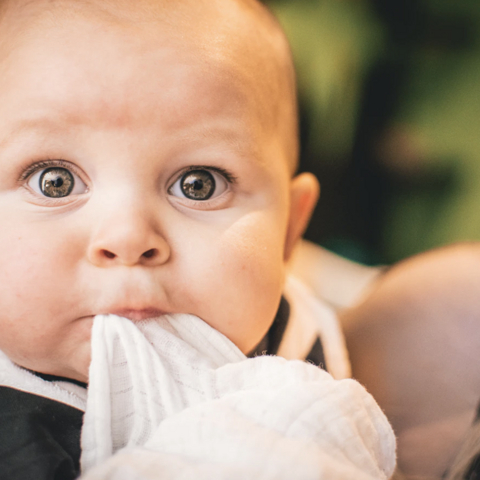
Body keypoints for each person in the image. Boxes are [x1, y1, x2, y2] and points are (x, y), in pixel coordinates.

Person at [0, 0, 396, 479]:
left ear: (290, 230)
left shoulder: (300, 351)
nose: (128, 238)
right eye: (54, 181)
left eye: (198, 184)